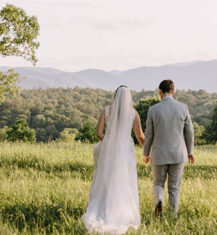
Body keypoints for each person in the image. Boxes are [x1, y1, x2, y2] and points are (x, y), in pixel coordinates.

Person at [82, 85, 144, 233]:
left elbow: (98, 133)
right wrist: (147, 151)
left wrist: (108, 141)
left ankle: (103, 208)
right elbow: (140, 135)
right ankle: (123, 211)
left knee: (106, 179)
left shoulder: (106, 111)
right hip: (125, 151)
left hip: (109, 150)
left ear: (115, 97)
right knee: (125, 180)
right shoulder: (133, 114)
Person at [142, 79, 195, 216]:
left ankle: (159, 199)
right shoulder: (183, 108)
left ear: (160, 91)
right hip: (178, 153)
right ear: (173, 90)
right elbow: (189, 132)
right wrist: (190, 151)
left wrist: (146, 153)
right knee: (174, 188)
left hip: (159, 154)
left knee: (158, 184)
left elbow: (148, 135)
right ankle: (172, 216)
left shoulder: (153, 110)